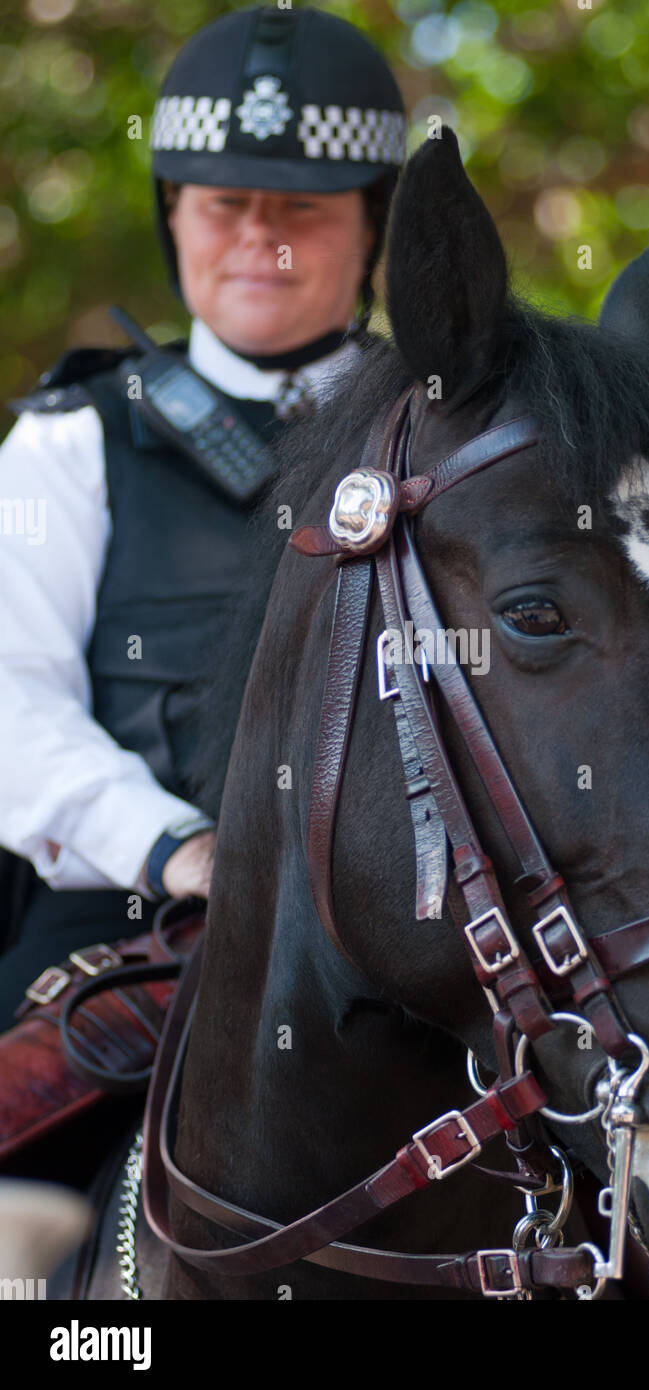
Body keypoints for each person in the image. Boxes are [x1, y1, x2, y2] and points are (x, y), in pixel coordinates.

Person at [0, 6, 406, 1030]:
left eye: (302, 210)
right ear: (172, 214)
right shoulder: (69, 442)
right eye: (224, 203)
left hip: (408, 939)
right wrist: (181, 848)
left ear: (371, 227)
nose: (257, 236)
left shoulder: (446, 432)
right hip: (124, 934)